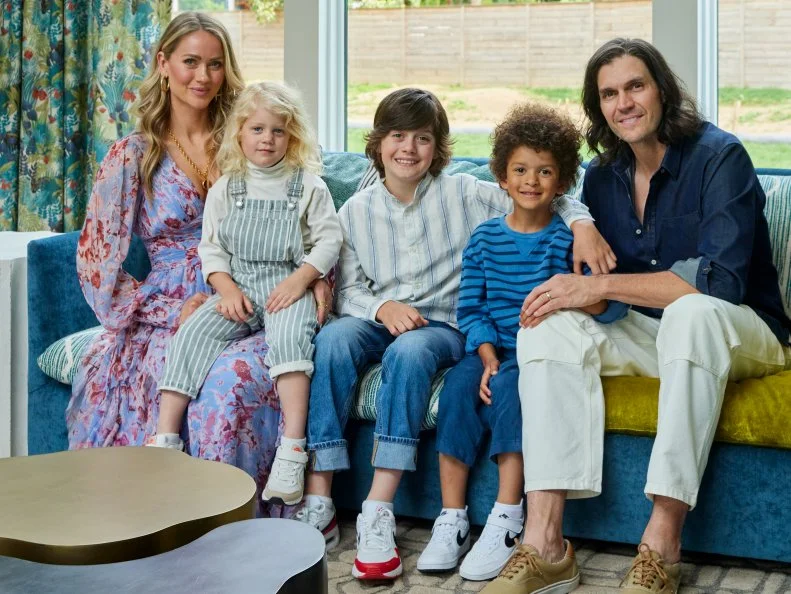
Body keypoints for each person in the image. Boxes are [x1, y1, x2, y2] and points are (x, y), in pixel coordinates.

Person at [482, 38, 791, 594]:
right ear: (597, 107)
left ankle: (661, 543)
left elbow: (721, 283)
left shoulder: (721, 157)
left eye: (635, 86)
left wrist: (597, 283)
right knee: (547, 321)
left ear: (662, 89)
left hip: (745, 332)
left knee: (693, 312)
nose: (623, 102)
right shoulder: (603, 178)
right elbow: (612, 297)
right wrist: (578, 276)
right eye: (609, 93)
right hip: (654, 332)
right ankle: (545, 543)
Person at [295, 87, 616, 581]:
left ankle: (378, 508)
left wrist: (583, 224)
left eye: (422, 138)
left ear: (438, 147)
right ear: (378, 143)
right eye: (397, 136)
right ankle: (321, 498)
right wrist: (382, 306)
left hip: (441, 326)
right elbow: (349, 292)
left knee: (411, 349)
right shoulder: (355, 211)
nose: (408, 148)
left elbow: (536, 194)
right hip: (381, 319)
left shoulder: (464, 192)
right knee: (333, 340)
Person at [66, 13, 332, 512]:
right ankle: (170, 516)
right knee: (180, 378)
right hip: (173, 310)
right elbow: (96, 266)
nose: (203, 77)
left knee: (230, 385)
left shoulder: (253, 140)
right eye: (190, 62)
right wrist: (167, 311)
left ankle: (245, 522)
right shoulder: (133, 156)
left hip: (263, 297)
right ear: (163, 64)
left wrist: (319, 279)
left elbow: (313, 219)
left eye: (214, 64)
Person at [417, 103, 627, 582]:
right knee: (456, 392)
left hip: (539, 351)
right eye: (520, 170)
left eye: (545, 171)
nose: (532, 181)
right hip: (488, 348)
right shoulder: (484, 239)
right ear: (502, 178)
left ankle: (508, 516)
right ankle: (451, 518)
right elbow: (471, 309)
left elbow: (604, 302)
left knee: (512, 394)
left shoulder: (567, 240)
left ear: (563, 181)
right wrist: (486, 355)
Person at [152, 81, 342, 507]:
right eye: (257, 129)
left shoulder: (307, 186)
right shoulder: (227, 187)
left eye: (278, 131)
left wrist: (302, 279)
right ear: (239, 133)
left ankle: (293, 448)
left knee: (292, 342)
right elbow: (212, 247)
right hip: (238, 286)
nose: (267, 139)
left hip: (285, 284)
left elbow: (329, 241)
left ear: (292, 137)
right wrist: (225, 288)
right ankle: (165, 440)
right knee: (192, 334)